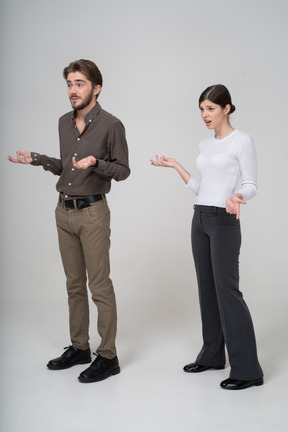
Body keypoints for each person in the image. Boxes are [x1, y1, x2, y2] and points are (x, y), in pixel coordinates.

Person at [8, 59, 130, 383]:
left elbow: (123, 170)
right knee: (73, 285)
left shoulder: (111, 125)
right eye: (69, 84)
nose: (73, 90)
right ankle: (80, 347)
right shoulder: (64, 122)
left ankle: (108, 356)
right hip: (63, 212)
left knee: (99, 286)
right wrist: (38, 159)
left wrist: (97, 163)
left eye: (79, 84)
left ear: (96, 88)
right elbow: (66, 167)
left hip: (92, 213)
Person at [151, 84, 263, 390]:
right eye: (202, 108)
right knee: (207, 289)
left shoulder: (242, 141)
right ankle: (213, 355)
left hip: (225, 220)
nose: (205, 114)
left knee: (228, 292)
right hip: (199, 216)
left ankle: (248, 369)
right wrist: (177, 167)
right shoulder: (205, 144)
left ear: (227, 108)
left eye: (211, 108)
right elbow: (204, 187)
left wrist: (238, 195)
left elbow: (251, 183)